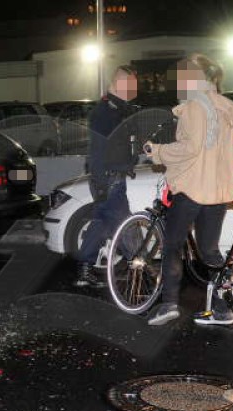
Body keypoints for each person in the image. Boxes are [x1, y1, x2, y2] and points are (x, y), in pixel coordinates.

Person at [143, 54, 233, 326]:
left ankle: (169, 305)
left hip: (192, 189)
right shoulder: (227, 105)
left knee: (172, 245)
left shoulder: (195, 106)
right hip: (219, 191)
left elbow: (190, 148)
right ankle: (222, 310)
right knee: (209, 251)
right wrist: (227, 157)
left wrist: (158, 151)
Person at [76, 65, 139, 287]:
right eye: (130, 86)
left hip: (108, 177)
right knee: (125, 222)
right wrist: (102, 180)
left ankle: (84, 270)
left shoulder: (116, 110)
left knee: (101, 223)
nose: (134, 91)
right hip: (109, 178)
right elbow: (101, 148)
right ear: (118, 84)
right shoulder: (106, 112)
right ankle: (141, 265)